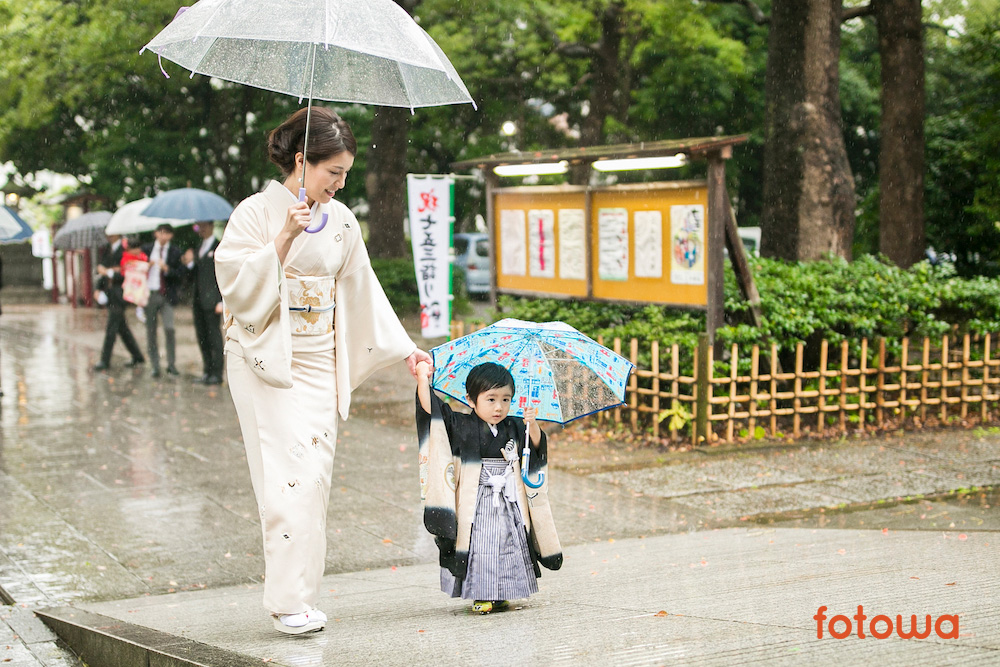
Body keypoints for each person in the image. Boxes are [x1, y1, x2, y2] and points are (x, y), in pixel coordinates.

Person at [214, 106, 431, 635]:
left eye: (345, 175)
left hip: (319, 360)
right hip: (267, 361)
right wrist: (283, 239)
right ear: (300, 161)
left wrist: (405, 349)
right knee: (288, 474)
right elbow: (237, 290)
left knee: (314, 478)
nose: (339, 183)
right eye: (332, 172)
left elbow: (362, 288)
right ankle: (287, 602)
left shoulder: (344, 221)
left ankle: (301, 596)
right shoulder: (255, 213)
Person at [414, 361, 562, 614]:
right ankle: (482, 593)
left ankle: (504, 592)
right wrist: (421, 378)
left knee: (509, 544)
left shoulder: (515, 425)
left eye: (506, 399)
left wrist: (533, 425)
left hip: (508, 498)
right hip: (478, 499)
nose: (499, 407)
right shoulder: (461, 424)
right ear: (471, 399)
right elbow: (434, 413)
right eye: (491, 399)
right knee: (481, 546)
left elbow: (536, 448)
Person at [93, 234, 145, 372]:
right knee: (122, 328)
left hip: (121, 293)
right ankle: (137, 355)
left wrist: (110, 272)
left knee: (111, 327)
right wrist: (98, 288)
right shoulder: (107, 250)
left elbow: (129, 271)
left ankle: (105, 360)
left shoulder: (127, 249)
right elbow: (101, 269)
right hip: (109, 293)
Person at [182, 222, 224, 385]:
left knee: (214, 336)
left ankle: (217, 373)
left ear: (212, 226)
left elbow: (223, 274)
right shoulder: (197, 248)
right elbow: (192, 275)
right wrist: (190, 263)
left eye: (205, 225)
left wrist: (221, 300)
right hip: (198, 299)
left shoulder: (219, 246)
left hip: (213, 300)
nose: (203, 229)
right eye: (200, 226)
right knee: (202, 336)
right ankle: (207, 370)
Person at [142, 223, 183, 378]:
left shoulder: (175, 251)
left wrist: (167, 270)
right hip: (150, 294)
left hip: (166, 295)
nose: (163, 235)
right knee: (151, 330)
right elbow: (135, 267)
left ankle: (171, 364)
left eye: (166, 233)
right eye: (160, 232)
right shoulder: (146, 250)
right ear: (155, 233)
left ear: (171, 235)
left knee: (169, 328)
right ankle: (155, 365)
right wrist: (147, 265)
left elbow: (180, 274)